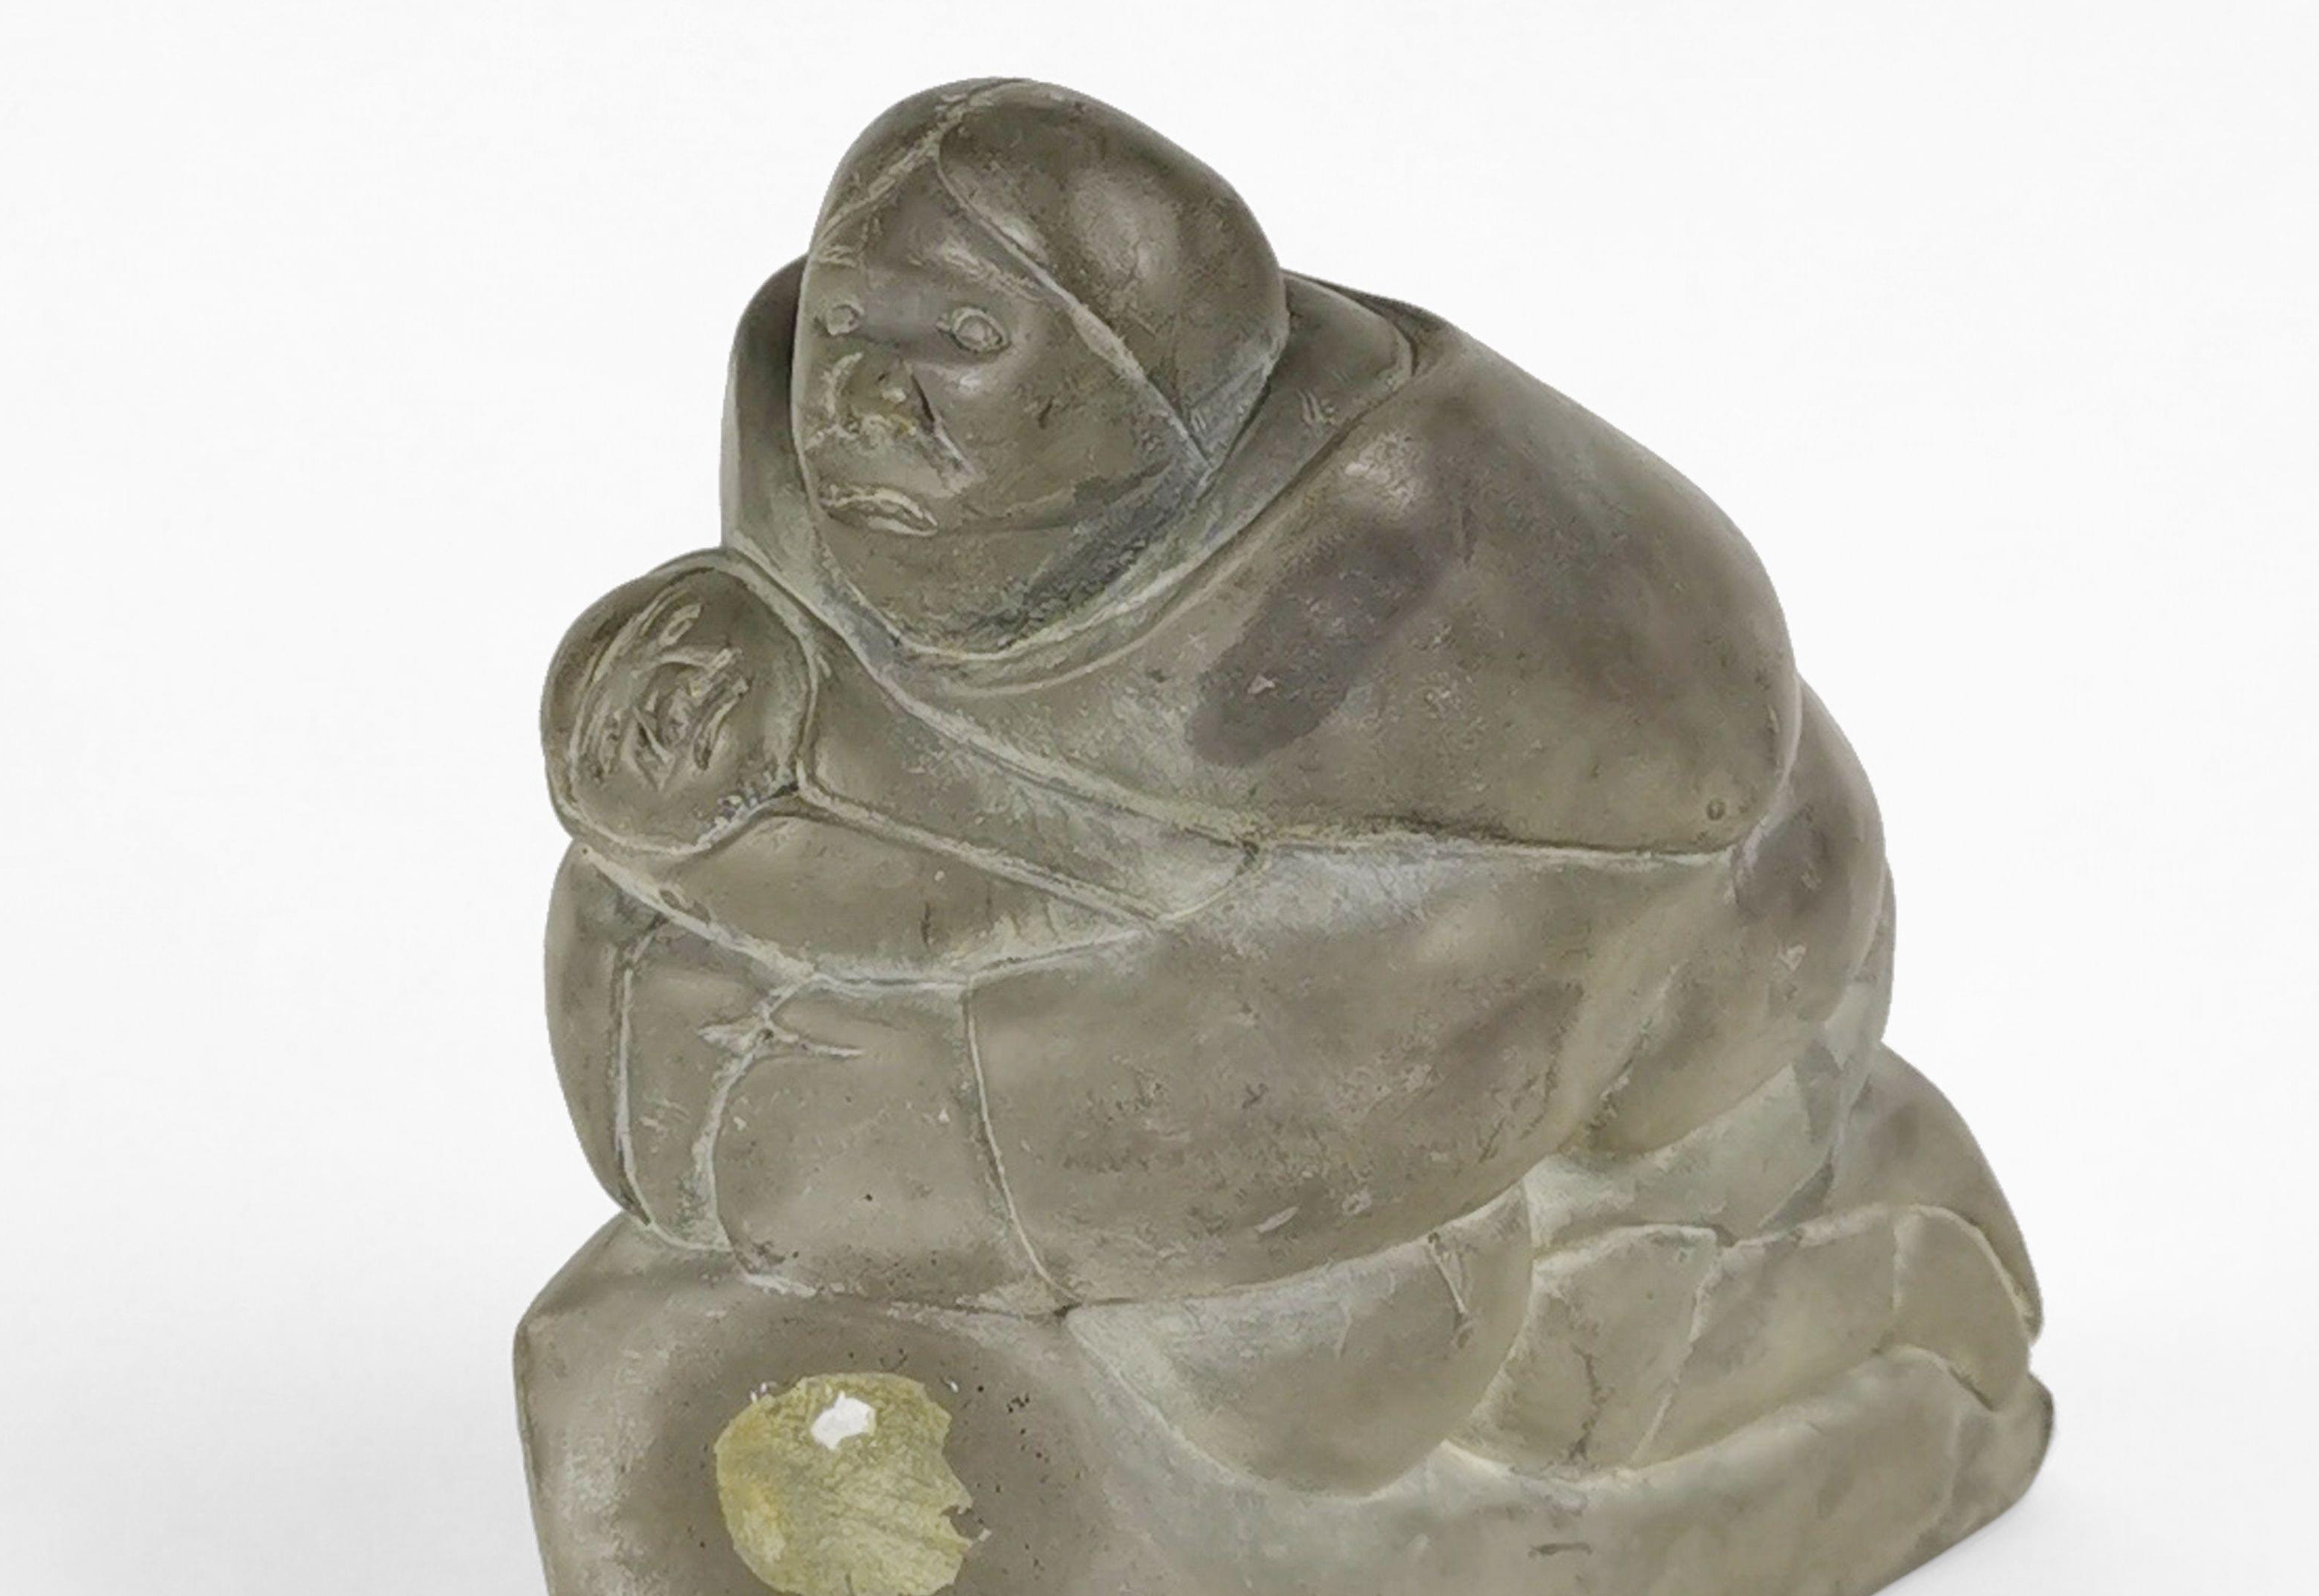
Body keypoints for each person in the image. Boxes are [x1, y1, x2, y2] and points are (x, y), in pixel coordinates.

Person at [538, 81, 2027, 1485]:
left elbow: (1307, 1095)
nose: (866, 393)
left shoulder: (1430, 605)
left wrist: (824, 1107)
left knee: (1399, 1394)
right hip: (1196, 1051)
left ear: (1152, 390)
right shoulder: (808, 547)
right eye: (849, 324)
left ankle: (1892, 1283)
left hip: (1682, 1030)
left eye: (970, 335)